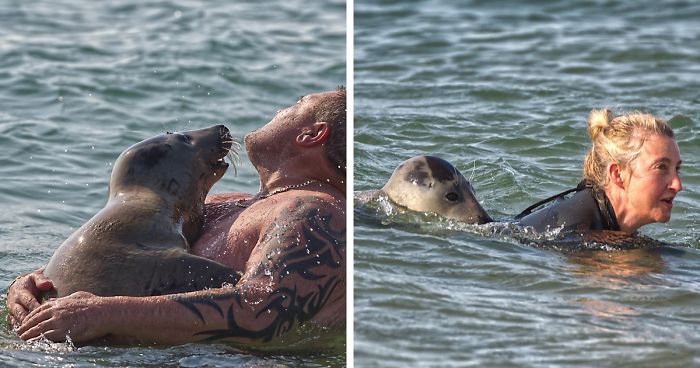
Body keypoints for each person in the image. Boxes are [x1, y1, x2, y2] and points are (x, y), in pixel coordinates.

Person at [6, 87, 347, 345]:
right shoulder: (229, 203)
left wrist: (105, 313)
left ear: (312, 134)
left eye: (295, 104)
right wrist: (34, 284)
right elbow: (119, 256)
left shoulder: (312, 212)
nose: (278, 109)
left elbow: (262, 311)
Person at [516, 108, 682, 235]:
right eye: (661, 167)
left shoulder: (607, 224)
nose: (677, 184)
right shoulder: (573, 231)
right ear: (617, 174)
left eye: (677, 169)